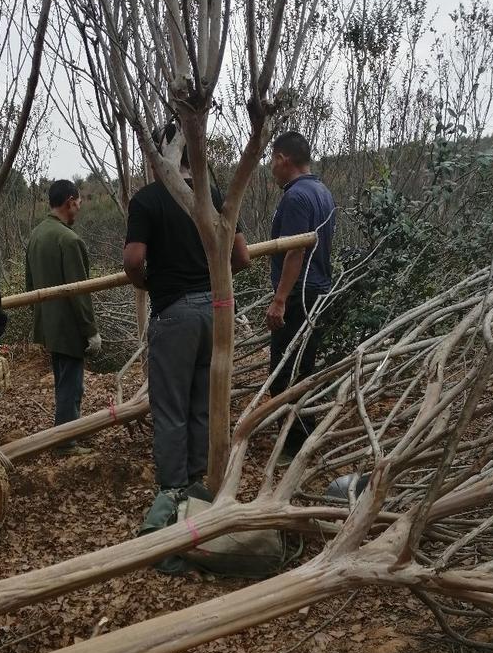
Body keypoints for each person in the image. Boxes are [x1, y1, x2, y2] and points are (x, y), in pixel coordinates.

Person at [123, 127, 250, 497]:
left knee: (170, 404)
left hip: (174, 313)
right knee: (202, 402)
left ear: (158, 158)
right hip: (215, 310)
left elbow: (133, 259)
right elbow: (241, 256)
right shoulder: (210, 194)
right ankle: (200, 479)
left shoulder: (147, 200)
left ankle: (174, 489)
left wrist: (149, 284)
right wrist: (215, 277)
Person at [265, 130, 336, 457]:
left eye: (272, 161)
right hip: (319, 289)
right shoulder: (322, 191)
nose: (271, 168)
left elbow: (295, 253)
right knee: (303, 367)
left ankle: (293, 446)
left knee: (285, 371)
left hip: (299, 294)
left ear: (283, 159)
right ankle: (303, 438)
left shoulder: (295, 197)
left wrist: (280, 299)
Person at [26, 179, 101, 456]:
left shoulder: (36, 234)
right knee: (71, 384)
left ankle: (64, 433)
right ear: (70, 201)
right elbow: (79, 293)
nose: (80, 207)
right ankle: (66, 442)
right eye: (79, 201)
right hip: (68, 328)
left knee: (63, 381)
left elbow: (29, 286)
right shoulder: (69, 240)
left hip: (47, 326)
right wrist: (90, 331)